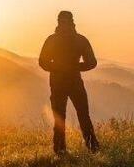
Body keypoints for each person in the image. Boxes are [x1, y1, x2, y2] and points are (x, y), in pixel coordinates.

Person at [38, 10, 99, 154]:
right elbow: (92, 63)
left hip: (58, 82)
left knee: (60, 117)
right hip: (74, 82)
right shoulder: (80, 40)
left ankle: (60, 150)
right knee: (83, 115)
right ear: (73, 21)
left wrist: (58, 67)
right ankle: (92, 147)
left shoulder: (52, 40)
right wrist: (75, 67)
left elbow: (42, 62)